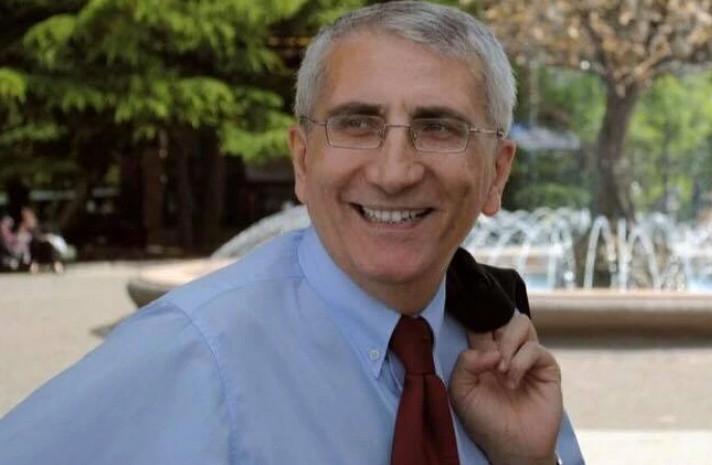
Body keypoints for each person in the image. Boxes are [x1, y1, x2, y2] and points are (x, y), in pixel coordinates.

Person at [0, 3, 584, 464]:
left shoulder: (503, 359)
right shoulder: (194, 354)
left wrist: (526, 462)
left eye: (439, 128)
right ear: (302, 161)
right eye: (358, 123)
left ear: (496, 174)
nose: (394, 172)